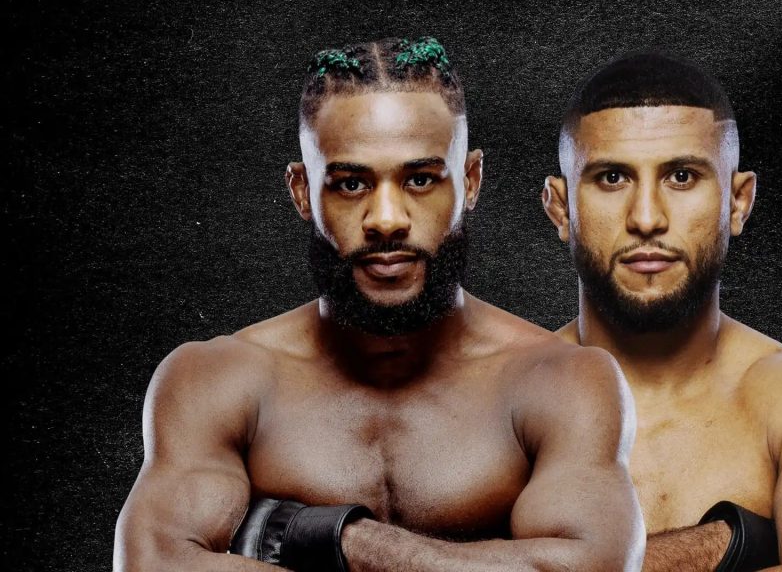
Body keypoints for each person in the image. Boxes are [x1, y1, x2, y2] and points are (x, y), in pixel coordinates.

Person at [114, 37, 644, 572]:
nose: (386, 218)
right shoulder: (216, 379)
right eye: (349, 184)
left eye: (419, 180)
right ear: (302, 191)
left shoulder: (562, 381)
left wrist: (336, 541)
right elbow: (152, 565)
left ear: (470, 180)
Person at [542, 51, 782, 571]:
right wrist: (728, 544)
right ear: (561, 208)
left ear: (738, 202)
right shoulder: (504, 395)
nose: (647, 218)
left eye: (683, 177)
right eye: (612, 178)